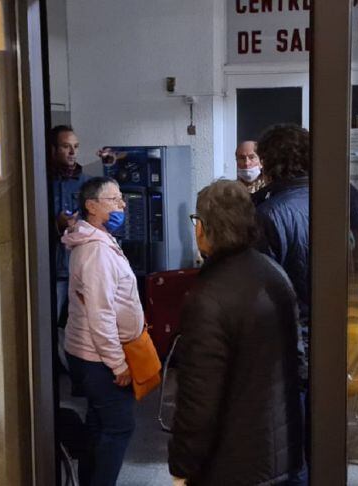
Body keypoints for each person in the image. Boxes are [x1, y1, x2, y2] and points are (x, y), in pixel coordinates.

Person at [168, 180, 304, 486]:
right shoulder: (274, 273)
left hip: (233, 466)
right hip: (283, 455)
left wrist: (182, 465)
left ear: (202, 228)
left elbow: (198, 398)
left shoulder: (207, 297)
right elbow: (297, 361)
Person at [62, 176, 143, 486]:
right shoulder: (95, 251)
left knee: (98, 424)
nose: (122, 205)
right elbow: (101, 315)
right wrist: (118, 363)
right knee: (119, 427)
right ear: (91, 206)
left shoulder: (99, 241)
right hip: (98, 358)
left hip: (91, 354)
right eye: (114, 199)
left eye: (121, 198)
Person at [251, 124, 312, 481]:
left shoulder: (269, 213)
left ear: (270, 162)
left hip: (290, 344)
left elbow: (261, 293)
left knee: (290, 444)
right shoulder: (339, 199)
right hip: (334, 338)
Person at [48, 125, 117, 324]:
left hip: (84, 269)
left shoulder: (87, 183)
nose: (72, 153)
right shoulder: (40, 183)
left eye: (76, 147)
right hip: (53, 268)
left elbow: (110, 214)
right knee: (51, 325)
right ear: (52, 150)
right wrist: (57, 225)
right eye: (65, 147)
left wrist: (110, 165)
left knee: (86, 324)